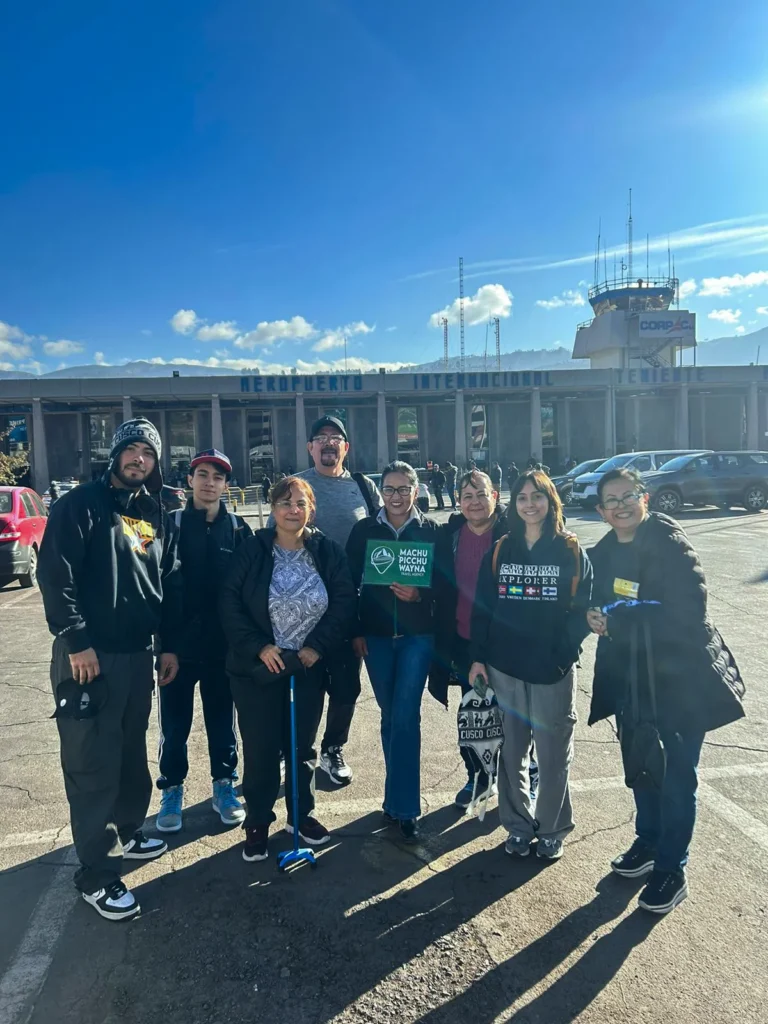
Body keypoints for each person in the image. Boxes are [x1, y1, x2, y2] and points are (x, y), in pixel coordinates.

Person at [37, 418, 182, 922]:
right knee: (92, 760)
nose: (139, 459)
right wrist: (76, 641)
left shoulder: (152, 514)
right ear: (115, 453)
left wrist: (165, 646)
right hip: (89, 657)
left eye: (148, 452)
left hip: (137, 654)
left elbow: (164, 582)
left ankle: (130, 828)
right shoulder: (80, 505)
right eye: (132, 449)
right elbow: (55, 574)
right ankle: (94, 872)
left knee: (128, 748)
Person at [587, 468, 744, 914]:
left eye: (627, 496)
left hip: (680, 681)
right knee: (642, 766)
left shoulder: (670, 543)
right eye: (610, 500)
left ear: (645, 497)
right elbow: (597, 598)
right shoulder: (602, 551)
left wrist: (619, 620)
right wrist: (593, 616)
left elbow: (687, 610)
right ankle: (649, 841)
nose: (620, 505)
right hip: (633, 681)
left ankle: (672, 868)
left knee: (676, 777)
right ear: (600, 511)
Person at [220, 476, 356, 862]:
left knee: (302, 746)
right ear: (273, 508)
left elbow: (344, 600)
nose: (292, 510)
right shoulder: (253, 550)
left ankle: (301, 815)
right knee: (261, 748)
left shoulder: (327, 550)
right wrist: (259, 647)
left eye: (300, 503)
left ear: (311, 508)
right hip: (258, 668)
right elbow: (229, 602)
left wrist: (316, 647)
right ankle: (258, 822)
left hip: (307, 665)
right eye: (285, 503)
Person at [469, 469, 592, 861]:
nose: (529, 504)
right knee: (511, 753)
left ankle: (552, 828)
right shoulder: (503, 549)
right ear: (514, 504)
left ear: (550, 501)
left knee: (554, 755)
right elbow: (483, 607)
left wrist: (562, 651)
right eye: (522, 498)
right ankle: (519, 827)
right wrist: (478, 657)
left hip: (551, 671)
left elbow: (583, 610)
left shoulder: (570, 550)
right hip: (505, 669)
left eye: (537, 497)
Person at [155, 449, 252, 832]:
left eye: (218, 477)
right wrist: (164, 646)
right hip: (177, 650)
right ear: (189, 481)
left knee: (222, 724)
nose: (209, 482)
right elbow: (157, 588)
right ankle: (172, 789)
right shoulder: (169, 525)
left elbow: (248, 591)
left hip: (222, 650)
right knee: (174, 726)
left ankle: (223, 786)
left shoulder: (239, 529)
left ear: (227, 485)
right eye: (203, 475)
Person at [346, 461, 440, 843]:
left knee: (405, 715)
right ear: (380, 492)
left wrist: (421, 594)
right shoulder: (363, 531)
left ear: (416, 491)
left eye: (404, 489)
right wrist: (354, 631)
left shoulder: (431, 530)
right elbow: (346, 586)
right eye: (389, 489)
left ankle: (405, 807)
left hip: (418, 637)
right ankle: (393, 797)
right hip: (376, 638)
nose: (396, 496)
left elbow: (446, 586)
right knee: (390, 716)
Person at [293, 415, 382, 785]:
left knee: (346, 685)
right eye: (320, 438)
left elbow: (387, 533)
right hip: (302, 609)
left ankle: (333, 749)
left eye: (336, 438)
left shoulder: (363, 487)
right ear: (310, 447)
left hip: (350, 608)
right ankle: (300, 754)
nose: (328, 443)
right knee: (308, 687)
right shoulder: (297, 487)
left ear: (346, 448)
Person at [431, 470, 511, 807]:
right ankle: (478, 776)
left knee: (513, 718)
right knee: (475, 717)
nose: (474, 501)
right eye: (466, 495)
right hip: (465, 642)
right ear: (458, 501)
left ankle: (520, 779)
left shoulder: (513, 533)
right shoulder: (449, 535)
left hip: (508, 644)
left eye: (480, 494)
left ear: (495, 496)